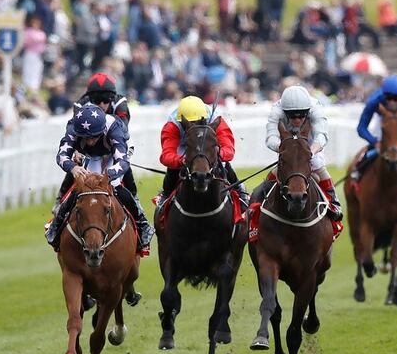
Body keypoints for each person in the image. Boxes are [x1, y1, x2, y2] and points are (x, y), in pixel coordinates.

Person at [43, 105, 154, 262]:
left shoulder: (113, 127)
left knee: (115, 186)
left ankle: (142, 224)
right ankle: (56, 225)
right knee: (81, 189)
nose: (89, 141)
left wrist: (107, 176)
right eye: (85, 137)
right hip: (90, 158)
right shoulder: (73, 127)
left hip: (112, 157)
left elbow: (122, 162)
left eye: (94, 137)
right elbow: (61, 155)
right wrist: (73, 168)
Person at [250, 86, 342, 222]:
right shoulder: (277, 110)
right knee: (280, 169)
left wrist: (309, 152)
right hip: (287, 144)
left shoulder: (315, 107)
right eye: (293, 116)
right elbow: (271, 138)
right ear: (285, 112)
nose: (298, 120)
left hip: (309, 142)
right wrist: (287, 150)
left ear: (308, 111)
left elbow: (321, 135)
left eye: (302, 115)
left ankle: (334, 203)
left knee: (317, 164)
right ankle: (256, 202)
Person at [157, 96, 249, 210]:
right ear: (181, 120)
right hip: (185, 146)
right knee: (173, 168)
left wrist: (218, 155)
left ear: (204, 117)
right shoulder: (172, 125)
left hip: (207, 145)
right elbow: (166, 155)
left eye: (196, 121)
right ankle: (165, 196)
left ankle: (239, 190)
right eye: (189, 122)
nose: (193, 125)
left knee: (223, 163)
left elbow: (229, 149)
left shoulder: (214, 119)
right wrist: (181, 160)